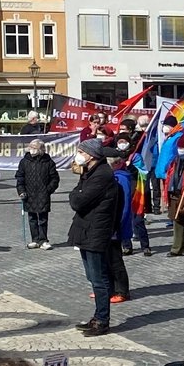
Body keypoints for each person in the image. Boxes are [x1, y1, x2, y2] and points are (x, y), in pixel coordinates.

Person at [65, 140, 121, 337]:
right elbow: (77, 195)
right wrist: (77, 192)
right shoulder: (89, 172)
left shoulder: (102, 175)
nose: (78, 155)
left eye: (81, 151)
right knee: (93, 277)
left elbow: (78, 200)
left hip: (96, 231)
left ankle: (102, 320)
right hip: (87, 230)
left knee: (99, 279)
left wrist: (76, 194)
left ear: (91, 155)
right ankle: (97, 316)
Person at [16, 139, 61, 249]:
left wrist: (48, 190)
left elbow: (54, 178)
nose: (31, 150)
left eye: (34, 148)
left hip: (43, 194)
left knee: (43, 219)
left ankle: (43, 240)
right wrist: (21, 191)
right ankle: (35, 239)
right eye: (30, 147)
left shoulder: (48, 162)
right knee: (32, 218)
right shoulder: (24, 161)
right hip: (29, 194)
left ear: (40, 149)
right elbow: (20, 177)